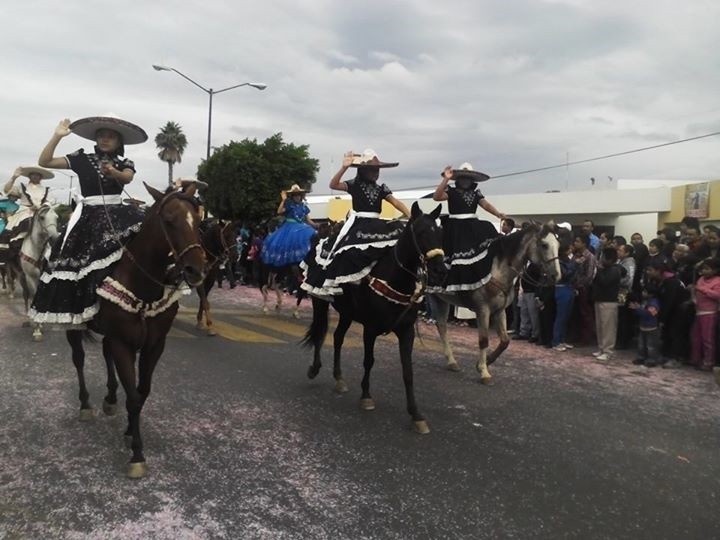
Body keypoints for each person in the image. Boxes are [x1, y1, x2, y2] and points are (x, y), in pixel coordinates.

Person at [29, 116, 148, 325]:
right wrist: (56, 137)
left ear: (119, 142)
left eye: (110, 136)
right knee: (63, 250)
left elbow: (127, 178)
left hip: (117, 212)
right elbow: (44, 162)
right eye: (101, 135)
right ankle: (81, 304)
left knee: (147, 232)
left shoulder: (125, 163)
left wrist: (114, 172)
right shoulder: (81, 158)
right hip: (89, 214)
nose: (105, 139)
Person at [302, 149, 411, 296]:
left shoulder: (381, 188)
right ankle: (340, 282)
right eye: (372, 169)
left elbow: (396, 202)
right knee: (346, 250)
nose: (376, 172)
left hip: (376, 223)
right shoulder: (354, 184)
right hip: (359, 224)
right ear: (363, 170)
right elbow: (333, 185)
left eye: (377, 169)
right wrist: (344, 167)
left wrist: (411, 215)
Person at [431, 163, 507, 292]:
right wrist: (446, 179)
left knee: (488, 232)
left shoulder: (476, 193)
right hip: (455, 228)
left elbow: (486, 205)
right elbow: (436, 197)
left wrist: (498, 214)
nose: (465, 181)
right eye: (462, 178)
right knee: (454, 257)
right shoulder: (451, 191)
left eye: (468, 178)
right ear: (458, 179)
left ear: (472, 180)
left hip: (473, 226)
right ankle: (449, 284)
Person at [261, 184, 317, 268]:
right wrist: (283, 200)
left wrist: (317, 225)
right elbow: (279, 211)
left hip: (302, 228)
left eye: (298, 195)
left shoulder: (303, 206)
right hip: (290, 228)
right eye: (295, 195)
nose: (297, 197)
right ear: (292, 196)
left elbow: (308, 220)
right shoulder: (289, 204)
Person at [3, 166, 56, 251]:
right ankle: (8, 247)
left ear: (41, 177)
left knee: (51, 225)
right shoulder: (22, 186)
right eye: (33, 174)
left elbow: (49, 202)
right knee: (15, 226)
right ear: (29, 176)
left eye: (37, 175)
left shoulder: (45, 189)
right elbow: (6, 190)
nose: (35, 176)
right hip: (25, 211)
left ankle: (53, 249)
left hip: (41, 212)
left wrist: (42, 207)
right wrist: (14, 177)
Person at [591, 247, 625, 361]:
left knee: (608, 328)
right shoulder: (605, 269)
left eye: (603, 257)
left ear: (610, 259)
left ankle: (608, 351)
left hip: (609, 301)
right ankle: (601, 348)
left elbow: (605, 282)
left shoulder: (615, 270)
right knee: (600, 326)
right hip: (599, 299)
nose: (600, 259)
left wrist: (599, 270)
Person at [691, 258, 720, 371]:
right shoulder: (701, 279)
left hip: (710, 313)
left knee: (707, 339)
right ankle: (696, 359)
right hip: (698, 311)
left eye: (707, 269)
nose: (704, 271)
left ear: (715, 270)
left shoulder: (718, 281)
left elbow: (717, 295)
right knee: (695, 337)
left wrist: (703, 289)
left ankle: (709, 361)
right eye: (703, 269)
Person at [552, 242, 577, 352]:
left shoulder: (568, 260)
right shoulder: (559, 262)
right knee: (560, 316)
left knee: (567, 316)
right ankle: (556, 341)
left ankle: (562, 340)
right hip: (561, 288)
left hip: (569, 287)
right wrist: (575, 265)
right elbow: (564, 274)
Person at [630, 285, 661, 367]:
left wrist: (637, 309)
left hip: (651, 328)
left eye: (645, 292)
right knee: (641, 344)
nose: (643, 293)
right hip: (643, 326)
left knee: (650, 345)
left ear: (651, 294)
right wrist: (638, 308)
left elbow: (648, 314)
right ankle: (641, 358)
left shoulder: (654, 303)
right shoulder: (646, 302)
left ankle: (652, 360)